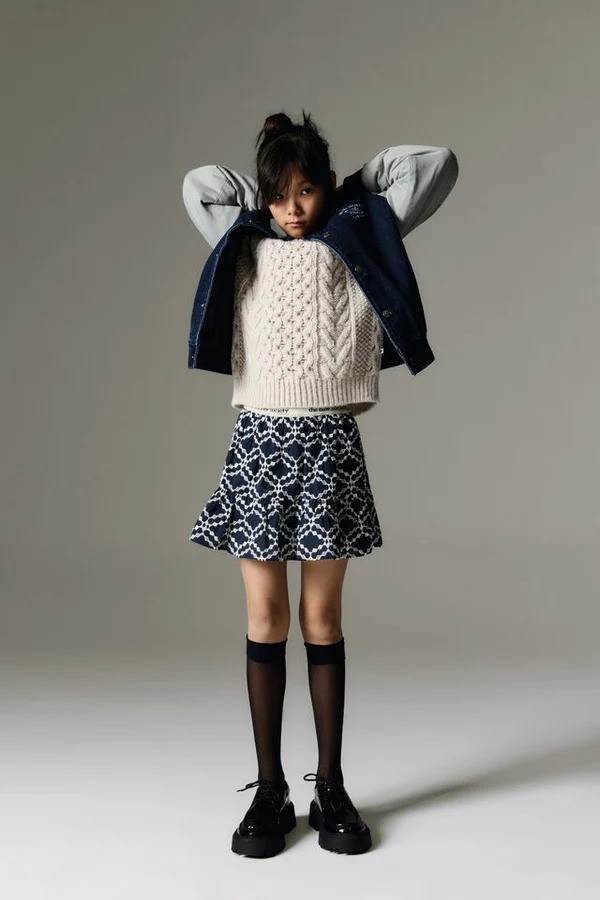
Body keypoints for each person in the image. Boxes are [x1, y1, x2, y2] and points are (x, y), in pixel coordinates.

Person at [182, 110, 459, 857]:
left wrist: (347, 191)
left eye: (306, 191)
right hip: (259, 444)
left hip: (330, 443)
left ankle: (330, 786)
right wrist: (265, 187)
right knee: (266, 617)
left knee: (322, 619)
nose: (293, 208)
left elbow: (433, 162)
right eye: (280, 195)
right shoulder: (246, 238)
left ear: (328, 188)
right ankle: (270, 789)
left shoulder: (355, 231)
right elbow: (199, 185)